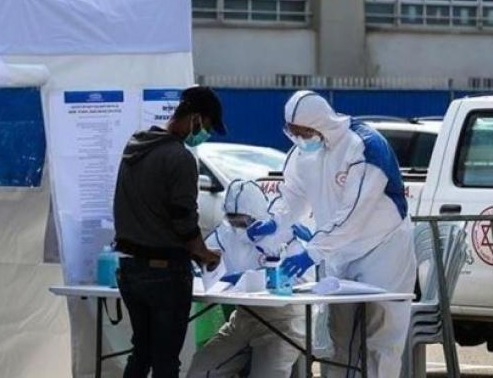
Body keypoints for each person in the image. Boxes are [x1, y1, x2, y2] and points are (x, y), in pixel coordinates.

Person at [246, 90, 417, 378]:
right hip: (339, 252)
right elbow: (293, 196)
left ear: (321, 123)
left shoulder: (364, 147)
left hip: (383, 248)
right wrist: (275, 221)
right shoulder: (301, 154)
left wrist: (313, 252)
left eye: (303, 132)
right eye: (292, 132)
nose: (299, 138)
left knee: (382, 336)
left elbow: (354, 214)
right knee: (340, 335)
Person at [113, 86, 225, 378]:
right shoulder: (180, 157)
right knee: (165, 360)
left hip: (129, 269)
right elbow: (183, 219)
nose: (205, 134)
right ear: (196, 118)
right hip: (165, 274)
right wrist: (204, 253)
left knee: (142, 353)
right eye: (207, 126)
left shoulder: (136, 145)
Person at [187, 179, 311, 378]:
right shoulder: (224, 235)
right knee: (200, 370)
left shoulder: (283, 233)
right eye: (232, 220)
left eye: (242, 221)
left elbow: (305, 281)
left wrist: (251, 278)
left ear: (257, 215)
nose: (237, 227)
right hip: (244, 320)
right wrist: (199, 268)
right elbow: (203, 265)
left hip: (284, 322)